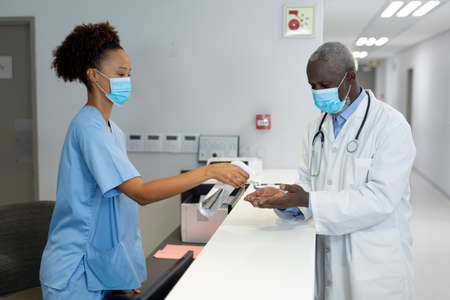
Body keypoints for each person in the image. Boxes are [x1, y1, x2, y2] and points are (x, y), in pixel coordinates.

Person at [39, 22, 249, 300]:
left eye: (129, 74)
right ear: (93, 76)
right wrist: (209, 172)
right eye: (120, 74)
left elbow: (117, 214)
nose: (127, 81)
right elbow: (141, 193)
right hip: (75, 272)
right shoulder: (88, 129)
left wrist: (120, 273)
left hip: (99, 270)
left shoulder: (111, 130)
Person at [244, 42, 416, 300]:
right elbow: (307, 183)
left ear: (350, 77)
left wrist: (308, 200)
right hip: (327, 252)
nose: (317, 92)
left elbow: (381, 198)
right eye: (312, 86)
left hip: (373, 259)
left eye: (324, 85)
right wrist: (286, 201)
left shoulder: (391, 126)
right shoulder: (315, 128)